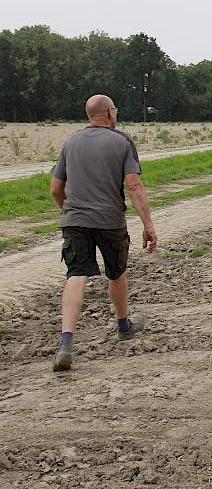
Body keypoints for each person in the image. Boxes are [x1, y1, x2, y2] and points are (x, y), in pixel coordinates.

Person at [49, 95, 158, 372]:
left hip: (75, 220)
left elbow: (55, 188)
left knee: (76, 274)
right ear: (109, 113)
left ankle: (65, 343)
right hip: (110, 221)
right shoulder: (122, 142)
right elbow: (134, 186)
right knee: (116, 272)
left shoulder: (70, 142)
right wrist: (148, 224)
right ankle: (123, 326)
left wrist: (69, 211)